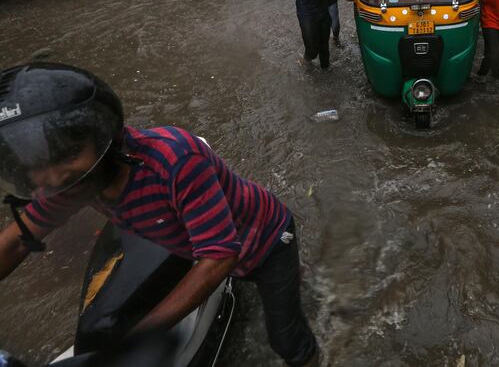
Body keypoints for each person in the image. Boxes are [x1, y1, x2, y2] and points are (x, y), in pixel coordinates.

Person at [0, 63, 319, 366]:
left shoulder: (175, 160)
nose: (52, 179)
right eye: (35, 166)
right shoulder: (74, 182)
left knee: (286, 339)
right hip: (219, 245)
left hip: (267, 241)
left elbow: (220, 256)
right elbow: (17, 242)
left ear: (102, 136)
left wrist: (138, 338)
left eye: (67, 154)